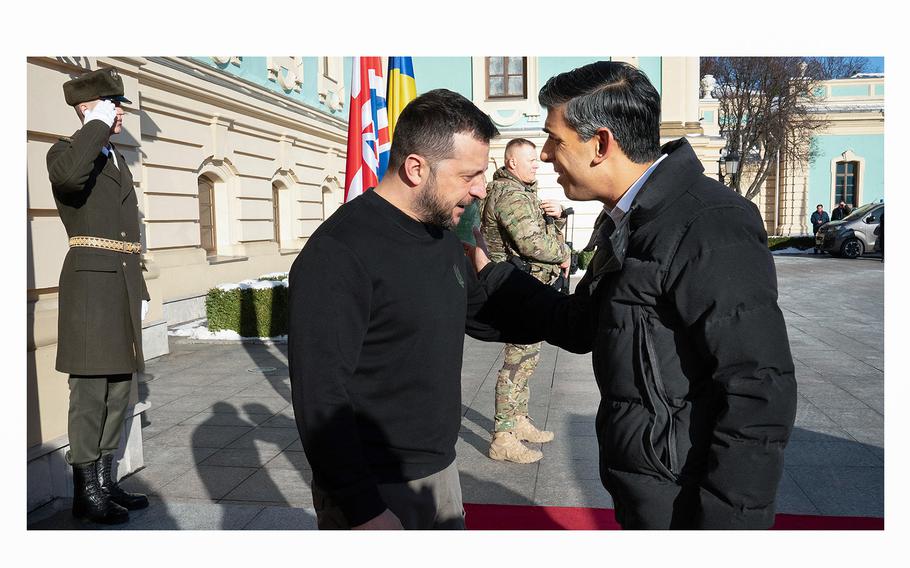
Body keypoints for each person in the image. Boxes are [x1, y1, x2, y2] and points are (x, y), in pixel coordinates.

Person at [468, 61, 797, 529]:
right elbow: (581, 325)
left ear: (600, 144)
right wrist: (492, 276)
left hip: (686, 503)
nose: (544, 155)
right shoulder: (628, 220)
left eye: (555, 139)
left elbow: (759, 388)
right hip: (647, 487)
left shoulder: (709, 222)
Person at [288, 89, 499, 530]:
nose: (480, 189)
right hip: (376, 489)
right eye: (469, 175)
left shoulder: (441, 234)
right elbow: (321, 394)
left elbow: (484, 312)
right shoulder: (339, 251)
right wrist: (363, 509)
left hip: (438, 471)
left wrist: (586, 313)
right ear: (416, 168)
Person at [46, 67, 151, 524]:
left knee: (119, 387)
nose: (122, 111)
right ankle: (85, 493)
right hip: (91, 285)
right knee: (90, 391)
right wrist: (93, 124)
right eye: (114, 104)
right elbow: (70, 181)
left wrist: (139, 288)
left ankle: (106, 482)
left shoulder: (113, 158)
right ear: (91, 108)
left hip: (120, 284)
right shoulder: (67, 151)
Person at [480, 138, 570, 463]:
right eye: (530, 159)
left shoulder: (523, 192)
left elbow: (541, 236)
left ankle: (518, 421)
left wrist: (557, 220)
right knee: (516, 364)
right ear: (512, 163)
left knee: (527, 360)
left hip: (526, 289)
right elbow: (533, 245)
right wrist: (564, 251)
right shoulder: (510, 195)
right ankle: (502, 437)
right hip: (514, 291)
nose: (537, 164)